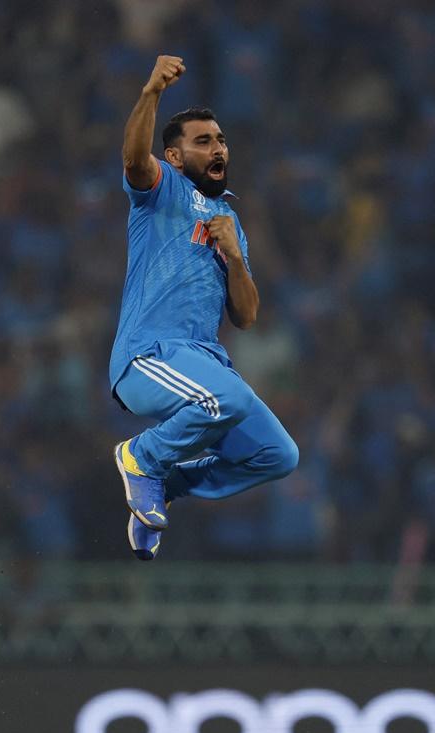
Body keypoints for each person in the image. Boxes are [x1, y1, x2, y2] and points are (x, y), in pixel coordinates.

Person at [109, 55, 298, 560]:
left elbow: (248, 316)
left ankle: (163, 484)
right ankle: (140, 459)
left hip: (204, 360)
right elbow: (132, 160)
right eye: (203, 141)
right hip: (148, 356)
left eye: (220, 140)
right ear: (173, 155)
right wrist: (150, 93)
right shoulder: (162, 190)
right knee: (228, 400)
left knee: (278, 455)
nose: (218, 148)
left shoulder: (228, 218)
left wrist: (236, 259)